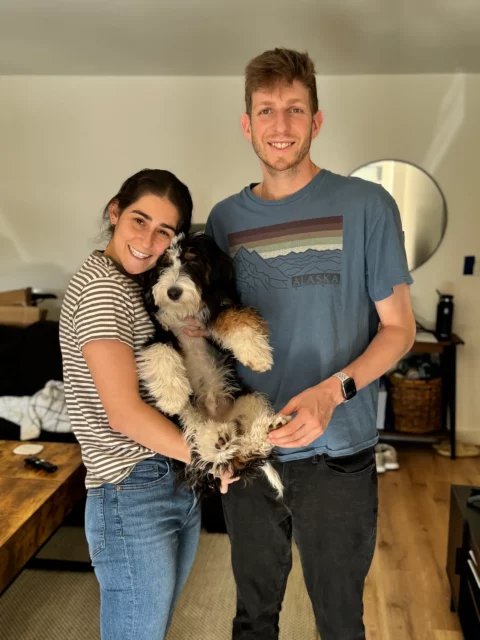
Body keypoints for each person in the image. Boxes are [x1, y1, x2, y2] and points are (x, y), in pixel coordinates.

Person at [199, 48, 416, 639]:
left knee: (341, 621)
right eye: (266, 111)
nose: (281, 125)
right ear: (247, 124)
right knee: (253, 618)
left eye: (295, 109)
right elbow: (212, 346)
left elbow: (400, 329)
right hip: (250, 454)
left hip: (338, 456)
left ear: (317, 120)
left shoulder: (367, 206)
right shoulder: (224, 222)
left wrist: (332, 392)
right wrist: (215, 441)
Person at [59, 169, 206, 640]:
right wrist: (212, 459)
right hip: (131, 490)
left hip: (165, 478)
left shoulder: (132, 284)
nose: (148, 240)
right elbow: (122, 412)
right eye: (139, 220)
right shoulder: (103, 288)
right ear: (114, 212)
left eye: (164, 231)